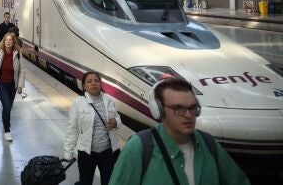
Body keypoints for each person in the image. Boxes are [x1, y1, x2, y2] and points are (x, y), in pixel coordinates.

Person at [110, 77, 249, 185]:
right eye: (179, 109)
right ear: (159, 111)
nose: (188, 115)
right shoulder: (138, 148)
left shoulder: (209, 144)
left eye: (192, 108)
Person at [63, 71, 122, 185]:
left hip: (107, 151)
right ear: (84, 86)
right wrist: (68, 153)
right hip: (86, 152)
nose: (93, 83)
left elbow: (118, 120)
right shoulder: (78, 103)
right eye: (89, 81)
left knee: (109, 182)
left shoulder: (108, 100)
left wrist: (115, 122)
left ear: (100, 84)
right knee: (85, 182)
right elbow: (72, 129)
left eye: (96, 81)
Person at [0, 32, 25, 142]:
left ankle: (6, 127)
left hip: (12, 85)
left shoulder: (17, 54)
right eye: (6, 40)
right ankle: (7, 130)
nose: (8, 41)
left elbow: (22, 70)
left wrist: (20, 85)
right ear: (4, 41)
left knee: (8, 108)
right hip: (1, 84)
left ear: (13, 42)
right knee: (7, 106)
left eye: (10, 40)